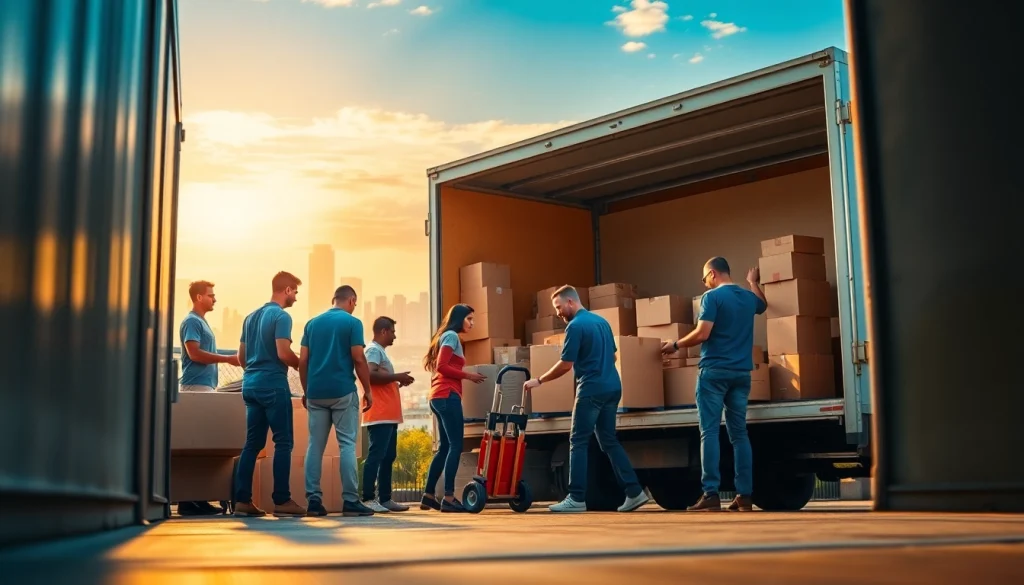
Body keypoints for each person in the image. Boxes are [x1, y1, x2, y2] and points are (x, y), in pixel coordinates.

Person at [523, 286, 650, 513]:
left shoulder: (575, 326)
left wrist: (539, 380)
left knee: (578, 441)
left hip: (591, 389)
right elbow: (612, 355)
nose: (559, 313)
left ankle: (576, 497)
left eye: (559, 307)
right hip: (613, 387)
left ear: (571, 302)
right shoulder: (602, 322)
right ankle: (634, 492)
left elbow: (566, 364)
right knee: (609, 441)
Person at [661, 257, 766, 512]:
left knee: (709, 432)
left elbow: (703, 333)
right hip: (742, 373)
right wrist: (753, 283)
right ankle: (745, 496)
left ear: (713, 274)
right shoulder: (746, 296)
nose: (704, 283)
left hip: (715, 372)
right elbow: (762, 305)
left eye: (704, 277)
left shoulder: (711, 298)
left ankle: (710, 494)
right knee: (739, 435)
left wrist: (675, 345)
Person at [232, 271, 306, 517]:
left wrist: (255, 373)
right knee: (283, 442)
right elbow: (284, 352)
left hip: (250, 384)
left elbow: (241, 357)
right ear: (286, 290)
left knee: (252, 443)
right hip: (273, 384)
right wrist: (301, 364)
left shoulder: (250, 317)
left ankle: (242, 500)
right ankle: (282, 501)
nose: (296, 296)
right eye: (295, 291)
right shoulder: (281, 316)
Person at [299, 285, 375, 517]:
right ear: (351, 300)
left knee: (315, 446)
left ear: (334, 300)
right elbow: (359, 359)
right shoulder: (353, 323)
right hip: (342, 392)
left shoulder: (312, 324)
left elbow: (303, 361)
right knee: (347, 445)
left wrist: (306, 390)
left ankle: (313, 501)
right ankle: (351, 501)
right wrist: (368, 391)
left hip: (316, 393)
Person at [177, 280, 240, 516]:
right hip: (195, 389)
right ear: (198, 298)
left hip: (204, 388)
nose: (215, 299)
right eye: (211, 295)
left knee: (202, 447)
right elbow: (193, 353)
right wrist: (227, 360)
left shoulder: (201, 322)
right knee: (196, 447)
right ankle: (189, 501)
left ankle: (198, 498)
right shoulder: (192, 321)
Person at [420, 304, 486, 512]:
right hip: (447, 395)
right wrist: (469, 375)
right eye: (469, 319)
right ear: (459, 319)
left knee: (445, 447)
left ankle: (428, 495)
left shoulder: (446, 336)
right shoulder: (451, 337)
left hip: (438, 396)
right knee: (456, 445)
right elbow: (442, 366)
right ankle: (448, 497)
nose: (472, 323)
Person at [361, 316, 415, 513]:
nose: (395, 336)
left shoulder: (380, 352)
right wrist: (396, 376)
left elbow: (380, 377)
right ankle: (368, 498)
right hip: (380, 414)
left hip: (389, 415)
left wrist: (396, 380)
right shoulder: (373, 350)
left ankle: (385, 498)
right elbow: (370, 374)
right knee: (376, 455)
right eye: (392, 331)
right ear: (383, 331)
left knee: (388, 456)